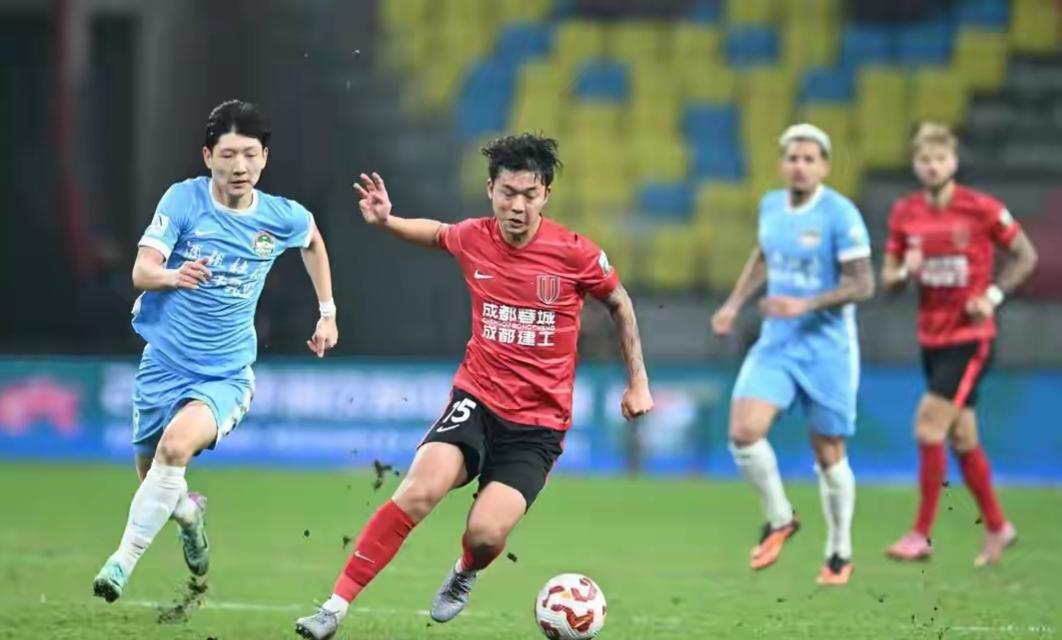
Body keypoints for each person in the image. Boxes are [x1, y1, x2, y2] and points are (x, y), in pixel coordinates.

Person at [295, 134, 654, 639]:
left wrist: (638, 382)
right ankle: (333, 608)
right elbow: (436, 233)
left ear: (546, 195)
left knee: (485, 534)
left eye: (529, 194)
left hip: (537, 427)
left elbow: (619, 302)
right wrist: (387, 221)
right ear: (490, 190)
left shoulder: (575, 253)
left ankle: (466, 568)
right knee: (419, 491)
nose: (518, 206)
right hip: (477, 401)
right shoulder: (474, 237)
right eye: (508, 193)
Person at [91, 100, 339, 602]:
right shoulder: (183, 201)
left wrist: (327, 312)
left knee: (174, 449)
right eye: (227, 154)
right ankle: (189, 515)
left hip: (224, 375)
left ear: (264, 157)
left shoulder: (280, 216)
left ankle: (121, 563)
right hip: (162, 365)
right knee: (156, 479)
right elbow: (141, 271)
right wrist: (172, 276)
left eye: (250, 154)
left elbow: (312, 240)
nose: (239, 166)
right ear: (208, 157)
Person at [711, 124, 874, 586]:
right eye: (793, 158)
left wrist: (805, 304)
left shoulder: (840, 214)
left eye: (809, 159)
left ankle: (839, 550)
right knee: (743, 433)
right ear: (782, 164)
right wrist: (734, 304)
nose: (800, 166)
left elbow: (863, 283)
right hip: (777, 343)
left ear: (825, 166)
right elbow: (764, 256)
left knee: (829, 451)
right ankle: (781, 518)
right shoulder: (771, 206)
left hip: (828, 350)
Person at [883, 123, 1038, 566]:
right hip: (930, 338)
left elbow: (1026, 255)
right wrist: (905, 272)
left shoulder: (981, 208)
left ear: (953, 162)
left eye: (940, 159)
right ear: (915, 165)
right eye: (924, 160)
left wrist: (992, 296)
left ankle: (920, 535)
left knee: (927, 427)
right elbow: (888, 280)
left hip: (970, 337)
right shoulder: (905, 213)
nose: (932, 167)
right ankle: (998, 526)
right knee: (963, 437)